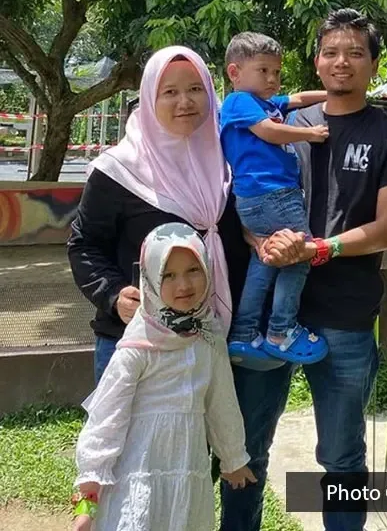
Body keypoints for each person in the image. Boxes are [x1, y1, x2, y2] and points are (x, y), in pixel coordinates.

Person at [220, 9, 387, 531]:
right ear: (316, 62)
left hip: (344, 318)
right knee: (246, 450)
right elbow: (236, 188)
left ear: (373, 64)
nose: (342, 62)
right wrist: (256, 238)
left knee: (341, 456)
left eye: (355, 52)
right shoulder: (282, 123)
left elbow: (386, 229)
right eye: (331, 52)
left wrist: (317, 249)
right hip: (267, 317)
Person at [67, 45, 251, 383]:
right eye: (170, 92)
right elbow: (85, 245)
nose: (185, 101)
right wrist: (113, 294)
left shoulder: (232, 161)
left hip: (227, 341)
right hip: (141, 343)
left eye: (195, 89)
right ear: (149, 97)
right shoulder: (119, 171)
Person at [71, 223, 256, 531]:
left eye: (193, 270)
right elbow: (107, 419)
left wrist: (233, 457)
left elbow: (221, 402)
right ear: (151, 278)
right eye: (168, 275)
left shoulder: (208, 336)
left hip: (188, 470)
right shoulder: (137, 347)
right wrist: (88, 499)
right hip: (137, 474)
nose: (183, 284)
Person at [219, 31, 330, 366]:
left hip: (258, 199)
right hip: (273, 195)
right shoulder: (238, 102)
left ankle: (244, 333)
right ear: (235, 72)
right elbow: (268, 131)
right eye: (263, 70)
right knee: (300, 254)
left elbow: (298, 98)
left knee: (265, 260)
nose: (272, 78)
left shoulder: (266, 103)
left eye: (277, 72)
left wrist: (334, 92)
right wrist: (310, 134)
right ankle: (282, 331)